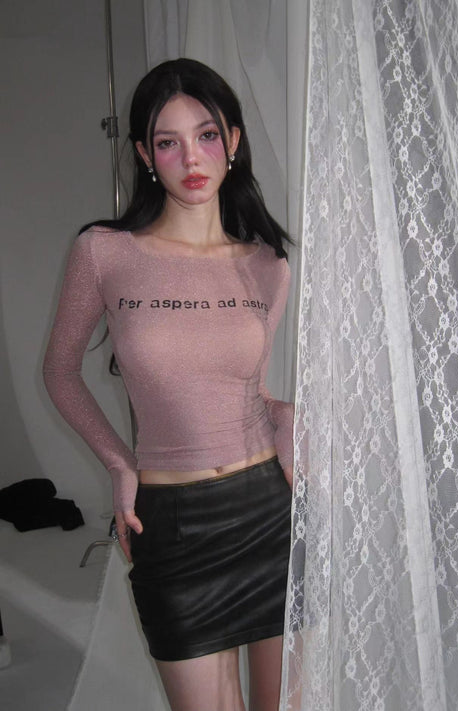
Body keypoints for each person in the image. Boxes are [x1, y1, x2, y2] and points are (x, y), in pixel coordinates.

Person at [43, 58, 294, 711]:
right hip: (173, 524)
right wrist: (119, 462)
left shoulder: (268, 264)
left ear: (232, 141)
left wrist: (284, 414)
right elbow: (60, 370)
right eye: (167, 141)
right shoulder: (104, 252)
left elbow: (240, 387)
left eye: (206, 135)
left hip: (272, 512)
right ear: (143, 154)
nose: (191, 157)